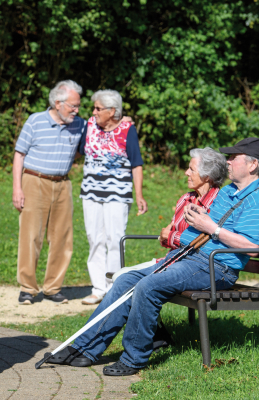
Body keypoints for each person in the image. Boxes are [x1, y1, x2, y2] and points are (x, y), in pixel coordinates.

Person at [46, 137, 259, 376]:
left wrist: (212, 228)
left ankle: (134, 358)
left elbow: (252, 248)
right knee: (126, 280)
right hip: (188, 256)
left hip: (215, 267)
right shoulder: (229, 190)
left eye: (233, 158)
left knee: (148, 285)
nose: (228, 162)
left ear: (252, 165)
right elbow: (207, 223)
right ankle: (84, 349)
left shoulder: (256, 198)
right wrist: (197, 218)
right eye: (228, 157)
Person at [13, 80, 87, 305]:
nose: (76, 110)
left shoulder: (80, 124)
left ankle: (53, 287)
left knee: (62, 238)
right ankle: (28, 288)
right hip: (34, 181)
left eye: (78, 106)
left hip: (63, 184)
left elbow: (95, 137)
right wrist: (17, 188)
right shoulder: (35, 121)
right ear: (57, 103)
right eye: (72, 106)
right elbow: (19, 154)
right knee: (31, 235)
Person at [112, 147, 228, 280]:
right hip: (170, 261)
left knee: (123, 278)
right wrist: (167, 236)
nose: (186, 173)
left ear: (207, 176)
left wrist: (170, 236)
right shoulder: (185, 199)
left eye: (192, 169)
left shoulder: (218, 203)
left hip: (194, 268)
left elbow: (205, 244)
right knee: (121, 276)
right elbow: (167, 237)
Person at [79, 90, 148, 305]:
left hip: (117, 194)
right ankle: (98, 288)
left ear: (112, 111)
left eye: (98, 108)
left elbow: (136, 163)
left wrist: (139, 195)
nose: (94, 112)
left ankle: (113, 287)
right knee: (94, 238)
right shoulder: (89, 125)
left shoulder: (128, 129)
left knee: (115, 238)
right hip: (90, 192)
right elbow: (81, 149)